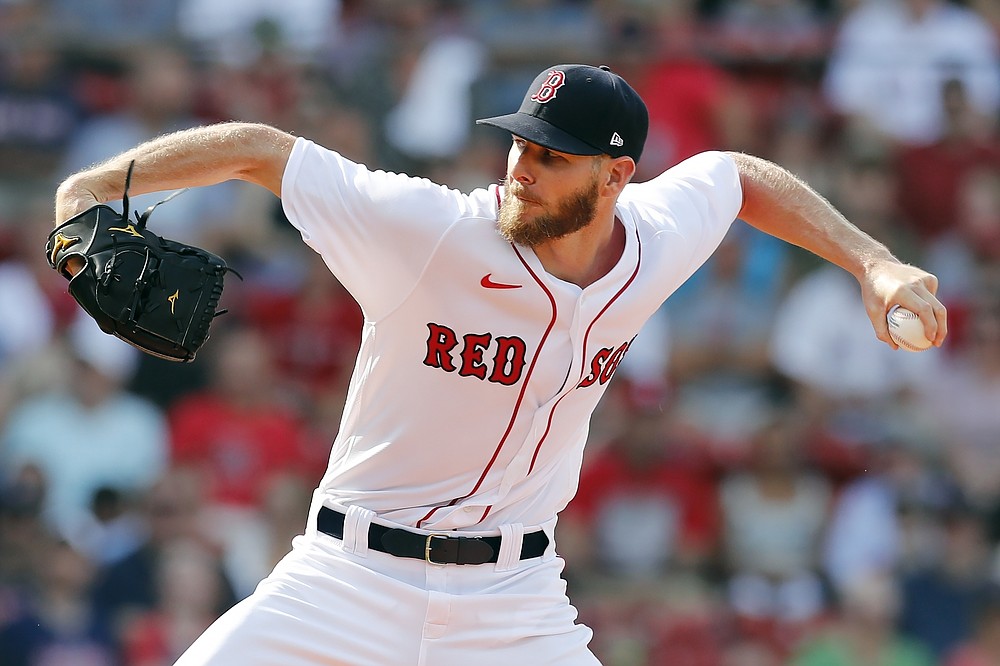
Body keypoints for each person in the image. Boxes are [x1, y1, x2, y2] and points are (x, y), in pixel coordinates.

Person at [52, 63, 947, 665]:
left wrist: (873, 260)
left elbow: (741, 175)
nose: (522, 166)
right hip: (348, 580)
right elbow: (260, 148)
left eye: (552, 156)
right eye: (519, 142)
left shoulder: (656, 243)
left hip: (513, 604)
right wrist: (92, 190)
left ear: (616, 176)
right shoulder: (428, 230)